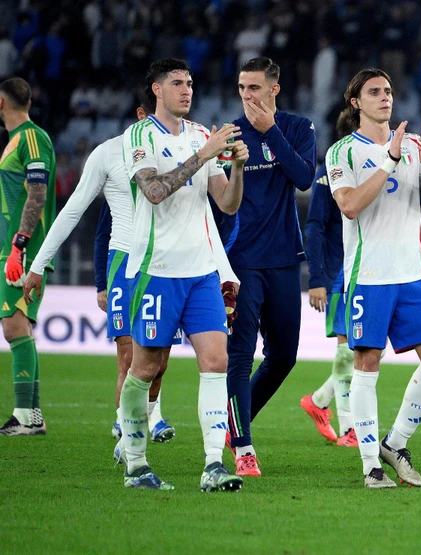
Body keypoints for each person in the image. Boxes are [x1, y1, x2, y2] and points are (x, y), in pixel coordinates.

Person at [117, 58, 248, 491]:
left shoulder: (200, 135)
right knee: (147, 367)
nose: (186, 89)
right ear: (156, 89)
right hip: (156, 271)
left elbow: (226, 204)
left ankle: (213, 465)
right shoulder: (139, 135)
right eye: (177, 83)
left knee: (216, 360)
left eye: (190, 82)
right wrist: (204, 155)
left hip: (201, 272)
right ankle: (135, 463)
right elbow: (154, 192)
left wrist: (237, 168)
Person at [24, 95, 184, 444]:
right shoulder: (108, 153)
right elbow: (72, 211)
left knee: (159, 365)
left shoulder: (180, 148)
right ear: (142, 113)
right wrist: (38, 264)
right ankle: (127, 434)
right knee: (128, 357)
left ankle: (150, 416)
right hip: (125, 263)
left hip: (166, 264)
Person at [327, 68, 421, 489]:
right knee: (367, 363)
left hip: (413, 272)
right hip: (369, 274)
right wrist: (390, 159)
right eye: (374, 92)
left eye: (388, 90)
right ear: (355, 103)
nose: (385, 97)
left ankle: (395, 442)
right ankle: (370, 467)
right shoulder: (341, 153)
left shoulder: (414, 148)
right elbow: (350, 206)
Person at [221, 57, 317, 477]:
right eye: (242, 88)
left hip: (282, 260)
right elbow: (218, 200)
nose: (247, 96)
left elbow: (304, 178)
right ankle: (243, 445)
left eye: (255, 88)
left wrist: (270, 132)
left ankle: (235, 422)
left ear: (274, 89)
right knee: (240, 356)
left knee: (283, 356)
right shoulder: (228, 135)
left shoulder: (297, 128)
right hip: (240, 260)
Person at [0, 77, 54, 436]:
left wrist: (19, 245)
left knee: (14, 324)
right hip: (14, 245)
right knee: (18, 324)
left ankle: (25, 414)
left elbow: (38, 191)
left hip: (23, 247)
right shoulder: (16, 140)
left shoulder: (32, 137)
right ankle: (30, 415)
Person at [299, 161, 357, 447]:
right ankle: (350, 429)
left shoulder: (379, 166)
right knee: (348, 352)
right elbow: (315, 227)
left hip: (371, 273)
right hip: (339, 275)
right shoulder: (329, 175)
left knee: (372, 351)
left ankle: (319, 400)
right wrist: (317, 278)